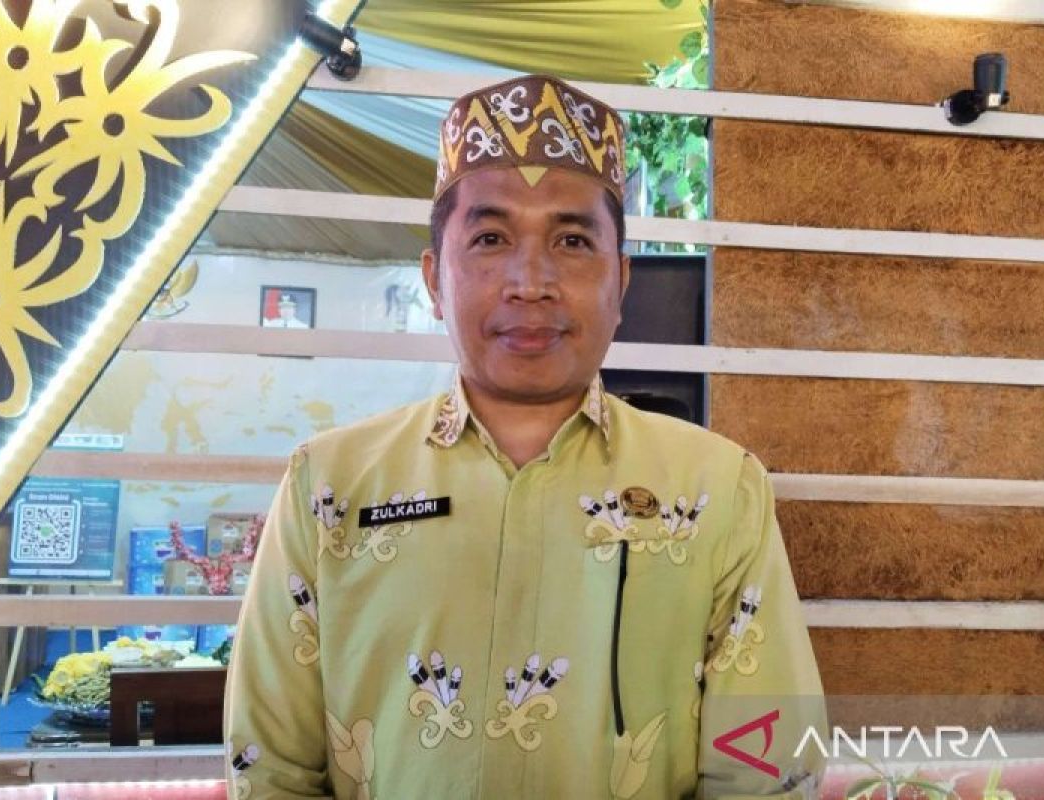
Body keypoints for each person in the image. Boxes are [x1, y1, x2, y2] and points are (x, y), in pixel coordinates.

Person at [224, 74, 827, 800]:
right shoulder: (329, 489)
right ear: (435, 279)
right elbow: (271, 771)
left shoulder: (717, 491)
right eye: (490, 238)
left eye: (572, 240)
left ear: (621, 280)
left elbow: (768, 771)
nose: (531, 281)